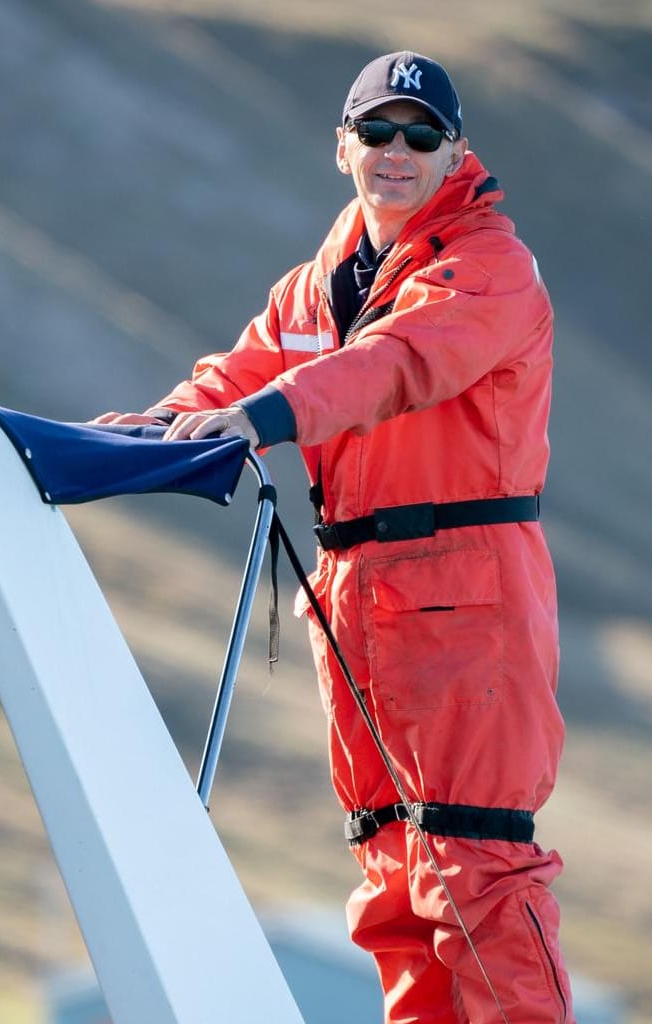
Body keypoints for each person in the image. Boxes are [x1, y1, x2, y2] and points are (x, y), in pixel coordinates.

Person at [95, 51, 571, 1024]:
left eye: (419, 134)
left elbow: (393, 367)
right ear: (341, 145)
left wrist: (261, 418)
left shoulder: (487, 269)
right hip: (353, 591)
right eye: (377, 131)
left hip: (465, 592)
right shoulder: (316, 285)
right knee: (391, 875)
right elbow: (230, 378)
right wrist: (118, 443)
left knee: (474, 867)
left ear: (454, 153)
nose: (395, 152)